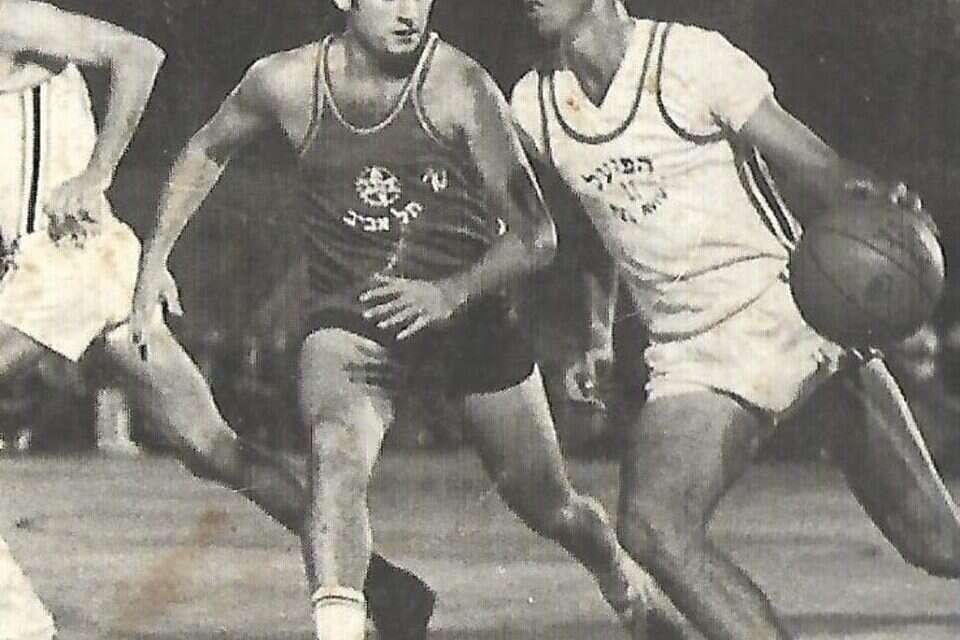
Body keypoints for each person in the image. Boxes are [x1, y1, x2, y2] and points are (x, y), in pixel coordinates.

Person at [127, 1, 715, 639]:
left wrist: (447, 293)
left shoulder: (461, 87)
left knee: (551, 507)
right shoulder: (285, 81)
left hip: (468, 317)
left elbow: (537, 235)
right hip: (356, 318)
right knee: (335, 453)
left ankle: (625, 587)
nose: (409, 12)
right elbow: (206, 148)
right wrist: (153, 262)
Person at [511, 1, 960, 638]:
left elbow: (823, 168)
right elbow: (594, 232)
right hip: (689, 351)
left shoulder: (690, 61)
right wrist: (597, 335)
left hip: (780, 312)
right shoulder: (533, 106)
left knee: (934, 542)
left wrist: (887, 214)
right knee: (657, 526)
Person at [0, 2, 431, 637]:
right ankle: (384, 586)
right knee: (211, 448)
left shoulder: (11, 18)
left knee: (213, 446)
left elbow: (139, 56)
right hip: (57, 272)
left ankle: (20, 625)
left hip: (71, 263)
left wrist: (96, 176)